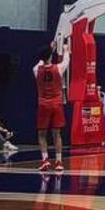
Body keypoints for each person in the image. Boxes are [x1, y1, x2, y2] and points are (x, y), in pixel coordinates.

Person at [33, 42, 68, 172]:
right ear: (50, 56)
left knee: (42, 134)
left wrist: (50, 48)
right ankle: (58, 162)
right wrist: (65, 49)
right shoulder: (58, 68)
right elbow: (66, 60)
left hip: (43, 104)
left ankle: (45, 160)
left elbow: (41, 61)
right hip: (56, 104)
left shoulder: (36, 70)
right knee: (57, 134)